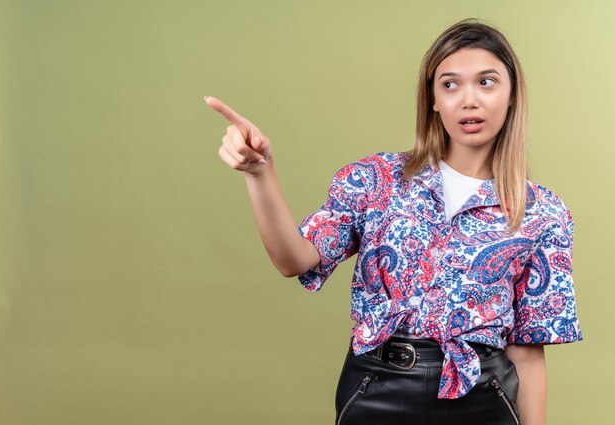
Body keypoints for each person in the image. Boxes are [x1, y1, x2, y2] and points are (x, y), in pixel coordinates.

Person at [205, 18, 582, 425]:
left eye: (487, 82)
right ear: (433, 99)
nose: (468, 100)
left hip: (483, 398)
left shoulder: (543, 213)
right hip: (375, 387)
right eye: (450, 85)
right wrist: (260, 174)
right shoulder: (375, 179)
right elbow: (294, 260)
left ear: (511, 96)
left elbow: (527, 353)